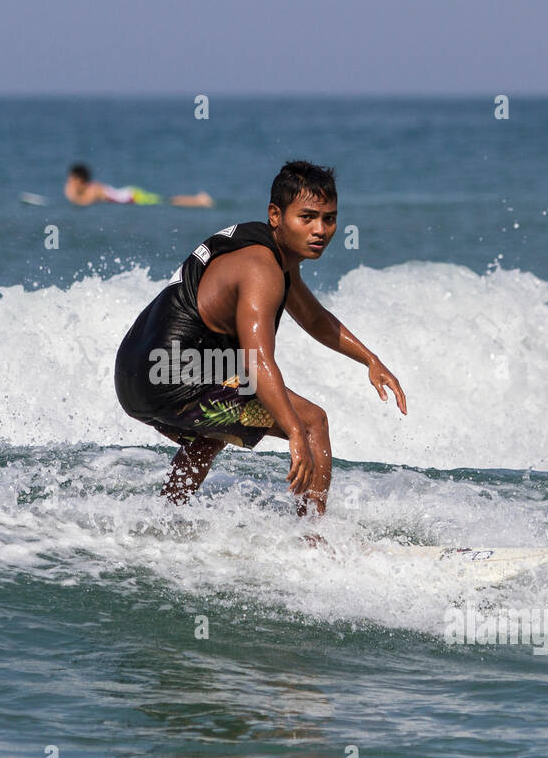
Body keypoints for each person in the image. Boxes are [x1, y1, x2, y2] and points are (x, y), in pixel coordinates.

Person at [114, 160, 407, 516]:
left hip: (136, 376)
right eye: (307, 217)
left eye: (329, 219)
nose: (320, 230)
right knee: (314, 422)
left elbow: (314, 318)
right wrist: (295, 431)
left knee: (214, 430)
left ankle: (166, 514)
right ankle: (312, 541)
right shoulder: (261, 269)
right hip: (171, 378)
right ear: (275, 215)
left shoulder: (268, 253)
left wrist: (369, 359)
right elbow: (257, 362)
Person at [65, 163, 214, 208]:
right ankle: (198, 199)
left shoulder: (93, 189)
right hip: (131, 194)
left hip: (134, 196)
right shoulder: (92, 187)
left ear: (79, 180)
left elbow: (83, 203)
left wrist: (70, 195)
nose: (69, 183)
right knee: (166, 200)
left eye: (71, 180)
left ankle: (199, 200)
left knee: (168, 201)